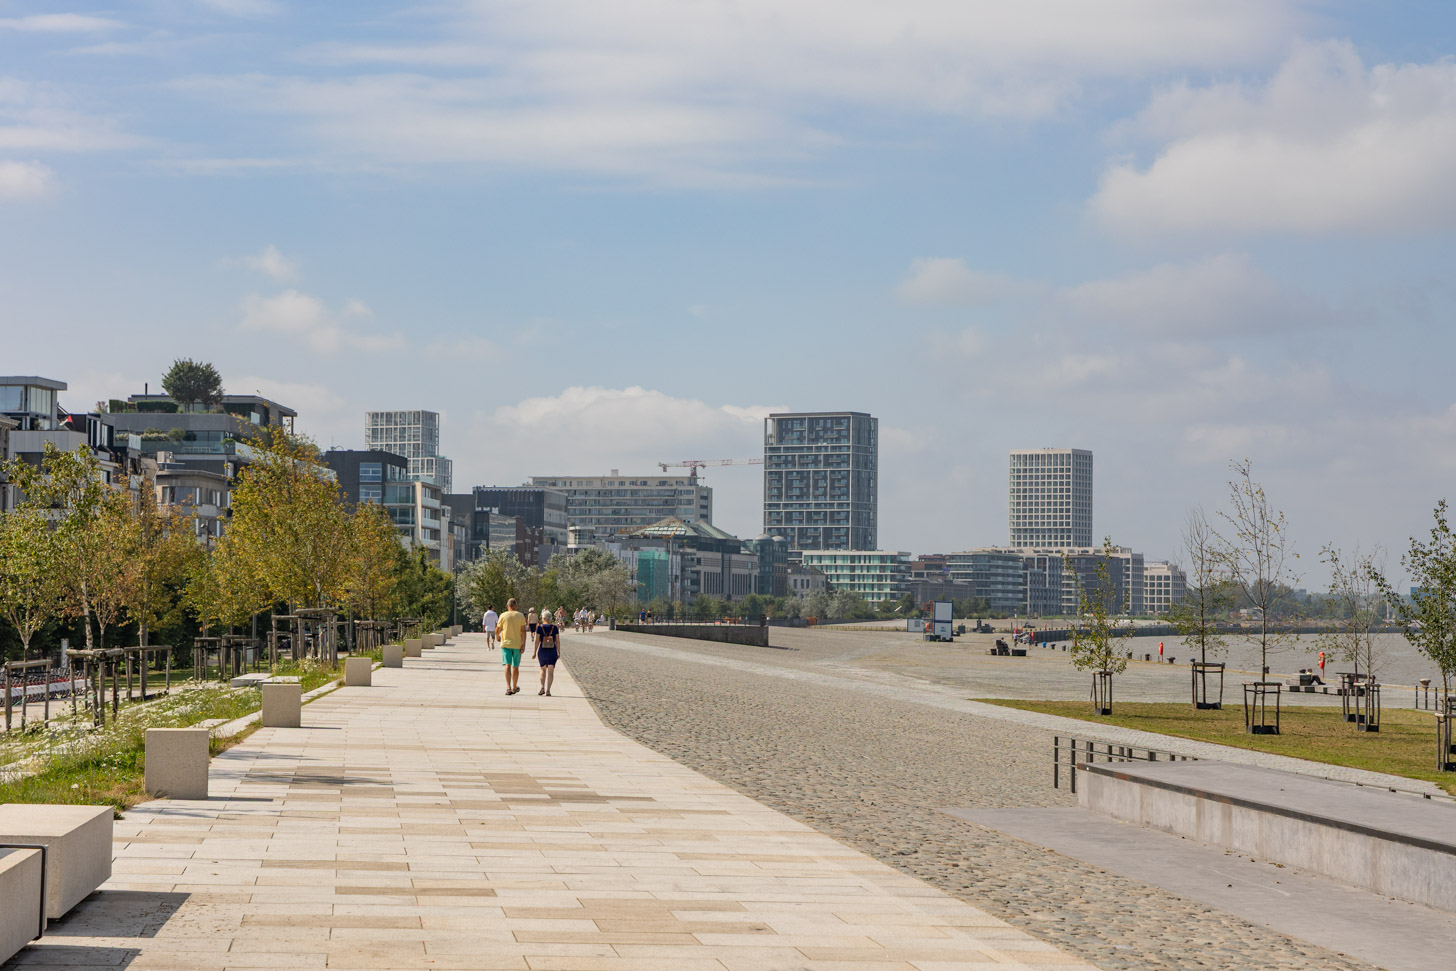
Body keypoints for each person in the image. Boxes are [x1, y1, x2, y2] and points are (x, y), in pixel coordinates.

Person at [496, 598, 527, 695]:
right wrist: (523, 644)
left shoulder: (503, 615)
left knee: (507, 665)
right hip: (517, 644)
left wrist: (497, 636)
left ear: (507, 606)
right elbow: (523, 631)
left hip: (506, 644)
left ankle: (508, 687)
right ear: (516, 606)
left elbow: (498, 629)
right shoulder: (520, 615)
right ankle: (514, 687)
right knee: (515, 667)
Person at [535, 611, 561, 696]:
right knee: (550, 671)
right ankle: (548, 690)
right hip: (552, 650)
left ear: (543, 618)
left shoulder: (539, 627)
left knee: (542, 669)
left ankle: (542, 687)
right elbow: (557, 641)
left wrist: (534, 652)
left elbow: (537, 641)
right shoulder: (555, 628)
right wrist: (559, 651)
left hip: (542, 650)